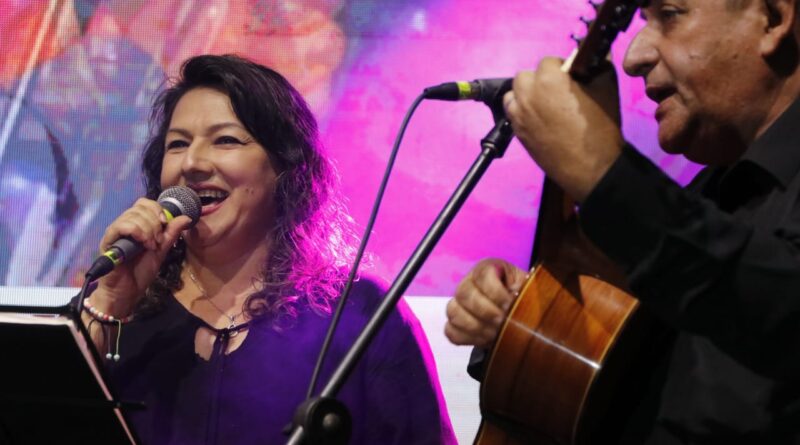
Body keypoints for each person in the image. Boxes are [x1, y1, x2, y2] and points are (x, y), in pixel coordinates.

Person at [445, 0, 800, 443]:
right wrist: (525, 323)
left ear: (772, 18)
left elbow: (780, 311)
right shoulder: (709, 196)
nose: (634, 57)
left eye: (671, 14)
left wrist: (603, 174)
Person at [78, 54, 456, 445]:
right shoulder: (119, 304)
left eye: (225, 140)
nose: (192, 163)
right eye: (178, 144)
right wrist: (111, 299)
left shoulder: (358, 312)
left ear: (284, 165)